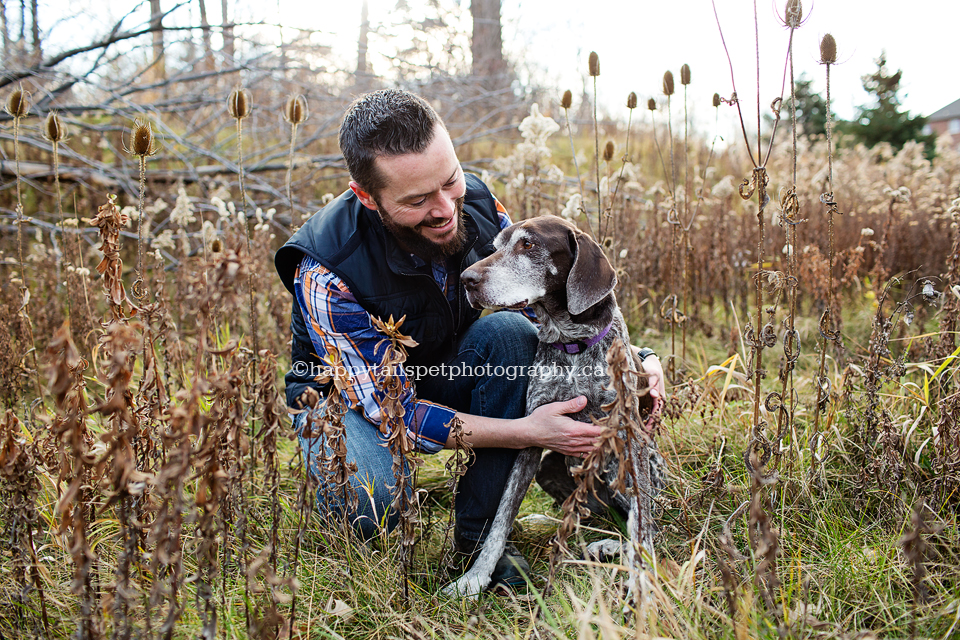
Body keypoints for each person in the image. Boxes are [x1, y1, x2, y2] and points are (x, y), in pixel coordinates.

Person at [274, 88, 665, 592]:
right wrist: (529, 432)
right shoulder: (327, 270)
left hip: (445, 368)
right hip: (351, 401)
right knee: (371, 500)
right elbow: (396, 415)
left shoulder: (477, 204)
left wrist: (637, 359)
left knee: (508, 332)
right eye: (417, 200)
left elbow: (550, 301)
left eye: (450, 180)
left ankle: (479, 543)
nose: (444, 209)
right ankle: (354, 502)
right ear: (367, 197)